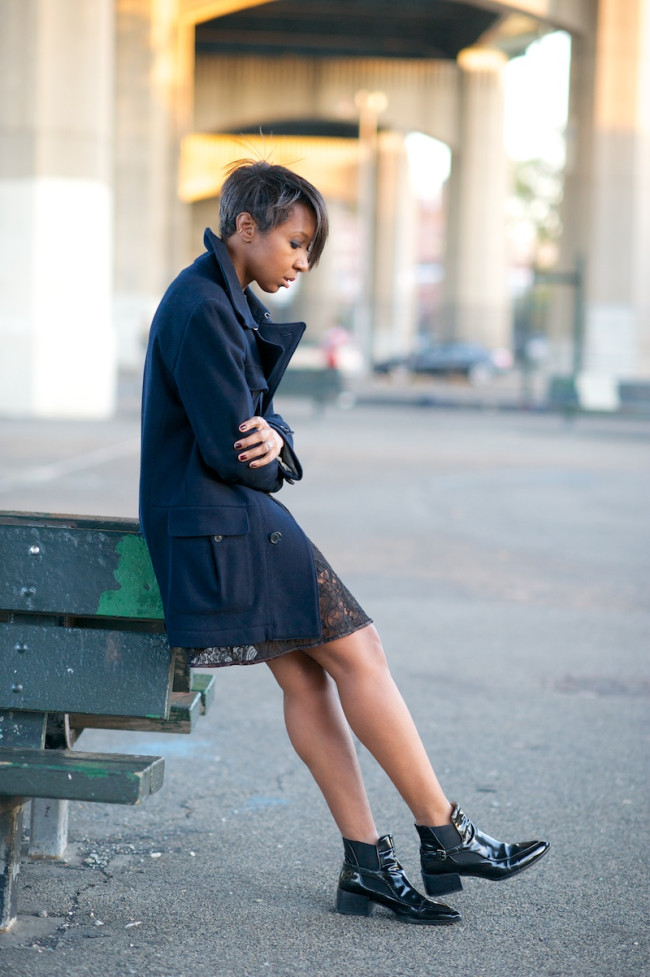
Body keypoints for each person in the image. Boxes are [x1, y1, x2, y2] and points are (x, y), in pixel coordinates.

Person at [139, 160, 549, 926]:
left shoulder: (216, 299)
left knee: (313, 679)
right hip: (220, 517)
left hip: (214, 519)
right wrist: (271, 441)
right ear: (246, 226)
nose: (302, 262)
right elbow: (239, 452)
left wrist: (276, 436)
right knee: (360, 652)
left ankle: (368, 862)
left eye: (311, 251)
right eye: (295, 243)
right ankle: (444, 831)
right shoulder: (202, 307)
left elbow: (261, 431)